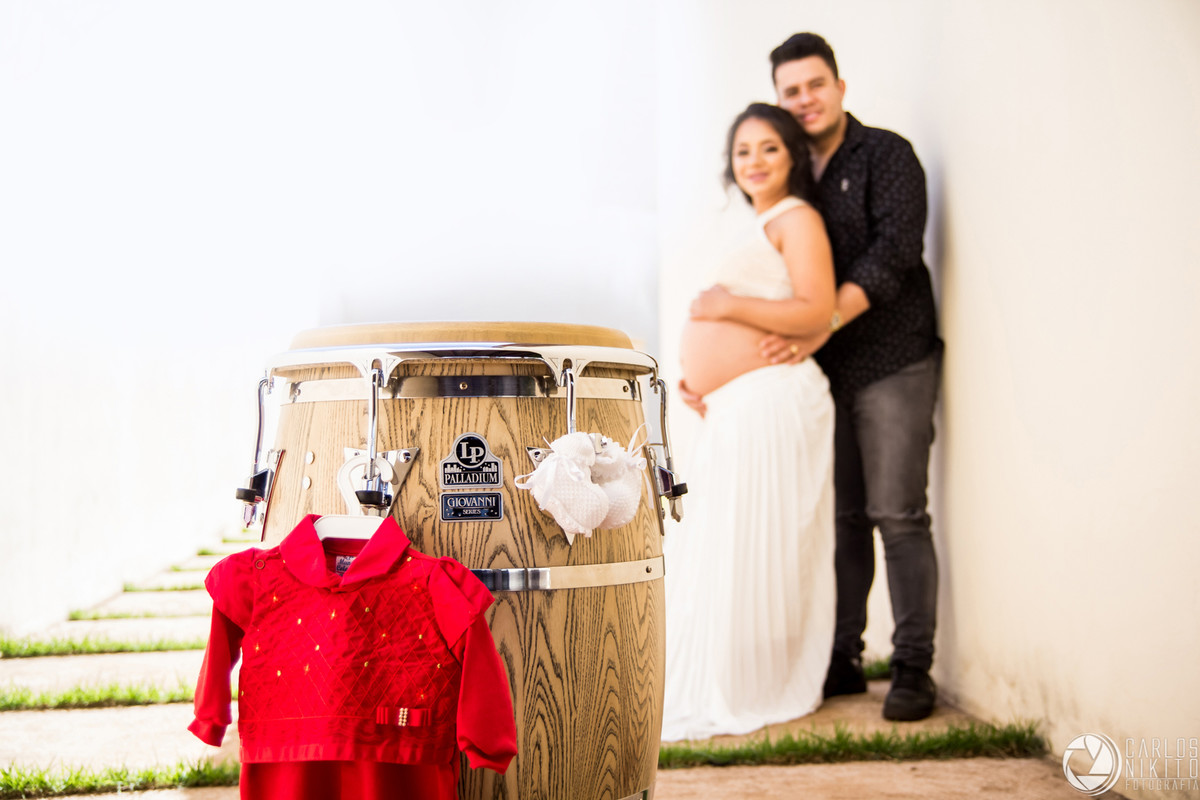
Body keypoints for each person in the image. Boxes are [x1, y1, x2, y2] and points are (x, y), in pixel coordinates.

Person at [741, 32, 944, 722]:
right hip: (823, 372)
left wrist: (821, 323)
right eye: (790, 91)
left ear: (839, 87)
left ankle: (913, 666)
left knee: (898, 513)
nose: (805, 99)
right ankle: (843, 658)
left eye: (815, 85)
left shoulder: (886, 154)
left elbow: (893, 255)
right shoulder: (790, 174)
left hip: (894, 358)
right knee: (843, 519)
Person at [662, 103, 837, 742]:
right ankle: (725, 670)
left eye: (769, 148)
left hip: (774, 399)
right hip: (733, 404)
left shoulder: (797, 217)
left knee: (758, 543)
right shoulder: (750, 222)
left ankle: (756, 679)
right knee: (724, 540)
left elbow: (815, 309)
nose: (754, 162)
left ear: (793, 156)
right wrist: (698, 375)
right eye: (743, 151)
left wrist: (729, 307)